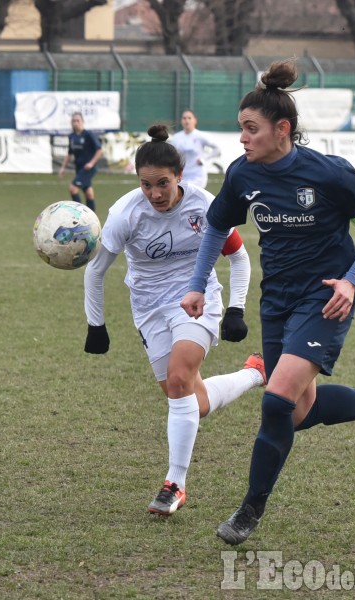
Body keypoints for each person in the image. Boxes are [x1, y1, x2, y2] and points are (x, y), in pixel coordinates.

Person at [180, 59, 355, 545]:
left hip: (326, 296)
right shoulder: (241, 175)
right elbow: (216, 226)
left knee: (275, 400)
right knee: (296, 412)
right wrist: (196, 282)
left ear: (282, 130)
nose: (243, 139)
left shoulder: (331, 174)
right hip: (276, 299)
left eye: (251, 130)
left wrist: (352, 282)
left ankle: (250, 510)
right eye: (240, 129)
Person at [83, 123, 267, 517]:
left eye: (162, 184)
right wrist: (95, 325)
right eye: (146, 185)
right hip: (148, 307)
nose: (154, 194)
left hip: (196, 298)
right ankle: (255, 373)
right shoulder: (124, 214)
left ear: (179, 176)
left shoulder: (205, 205)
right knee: (188, 400)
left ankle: (174, 484)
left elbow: (238, 256)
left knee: (181, 379)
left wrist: (235, 308)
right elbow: (96, 271)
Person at [58, 112, 103, 213]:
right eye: (73, 121)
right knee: (89, 193)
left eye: (78, 120)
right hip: (79, 169)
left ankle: (80, 214)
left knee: (73, 189)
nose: (75, 123)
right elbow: (69, 153)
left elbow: (99, 150)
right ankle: (92, 217)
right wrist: (62, 167)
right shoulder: (72, 137)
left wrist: (91, 163)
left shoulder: (88, 135)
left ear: (82, 122)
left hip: (88, 169)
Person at [170, 109, 222, 189]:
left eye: (189, 118)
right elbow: (171, 155)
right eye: (184, 118)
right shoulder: (176, 138)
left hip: (197, 176)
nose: (186, 120)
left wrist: (204, 159)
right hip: (182, 175)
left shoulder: (200, 136)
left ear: (195, 120)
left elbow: (217, 149)